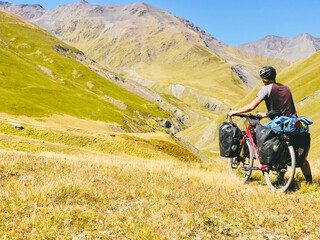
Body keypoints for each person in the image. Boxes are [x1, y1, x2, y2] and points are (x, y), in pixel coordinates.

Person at [228, 66, 312, 184]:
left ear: (264, 78)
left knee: (262, 135)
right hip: (293, 123)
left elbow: (252, 106)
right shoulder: (286, 88)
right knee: (298, 152)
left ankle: (271, 167)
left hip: (278, 123)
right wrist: (266, 114)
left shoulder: (266, 89)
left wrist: (235, 112)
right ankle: (309, 181)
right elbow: (283, 110)